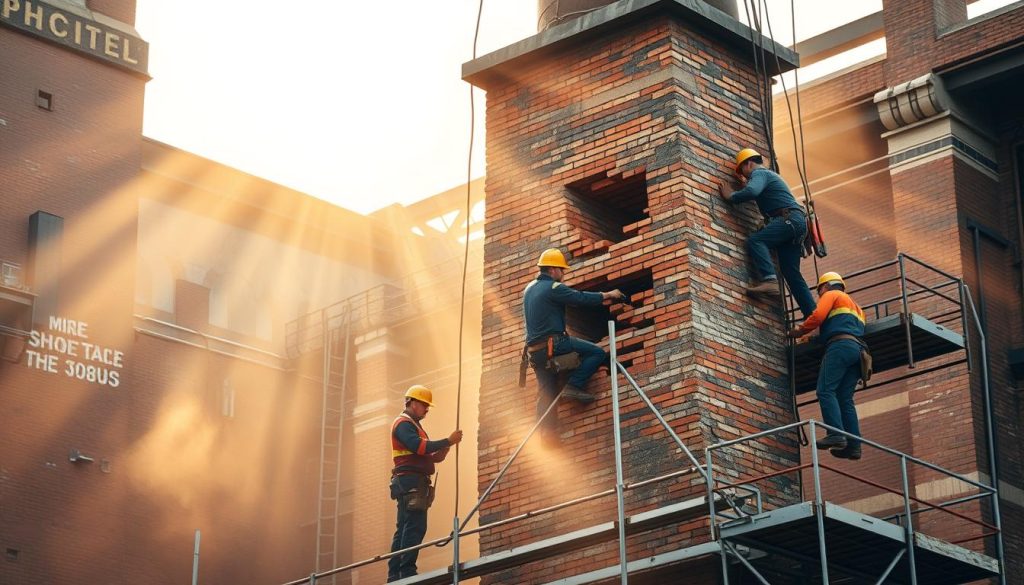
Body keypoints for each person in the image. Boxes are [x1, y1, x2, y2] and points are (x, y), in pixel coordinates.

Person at [523, 248, 625, 444]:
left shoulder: (529, 289)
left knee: (547, 393)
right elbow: (580, 298)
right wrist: (608, 294)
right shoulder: (554, 288)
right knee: (596, 352)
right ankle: (574, 386)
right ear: (553, 270)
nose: (563, 274)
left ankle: (547, 436)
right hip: (555, 344)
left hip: (535, 353)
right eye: (562, 270)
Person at [718, 148, 816, 319]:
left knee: (755, 241)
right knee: (790, 273)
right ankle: (814, 316)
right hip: (794, 223)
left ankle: (770, 280)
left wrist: (731, 196)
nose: (744, 177)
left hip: (790, 219)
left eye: (742, 172)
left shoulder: (759, 173)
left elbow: (752, 191)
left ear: (748, 164)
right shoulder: (769, 176)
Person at [388, 385, 463, 582]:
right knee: (414, 526)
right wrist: (447, 440)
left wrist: (447, 445)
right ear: (411, 402)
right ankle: (405, 571)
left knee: (406, 525)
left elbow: (433, 456)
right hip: (410, 481)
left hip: (413, 481)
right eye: (424, 405)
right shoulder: (403, 424)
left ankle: (396, 573)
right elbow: (419, 447)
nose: (427, 410)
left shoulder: (415, 426)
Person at [788, 272, 867, 460]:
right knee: (845, 398)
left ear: (825, 286)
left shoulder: (831, 295)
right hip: (859, 351)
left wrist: (800, 330)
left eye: (819, 291)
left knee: (825, 390)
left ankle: (836, 435)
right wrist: (816, 336)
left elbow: (818, 316)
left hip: (840, 347)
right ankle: (854, 446)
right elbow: (840, 325)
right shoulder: (857, 308)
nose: (819, 294)